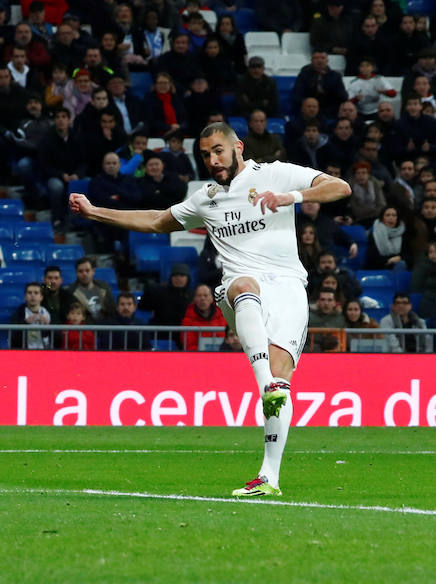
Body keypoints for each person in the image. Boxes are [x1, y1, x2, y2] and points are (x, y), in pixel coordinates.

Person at [70, 121, 352, 496]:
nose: (212, 160)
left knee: (282, 385)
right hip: (242, 291)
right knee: (243, 287)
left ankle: (268, 477)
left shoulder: (276, 174)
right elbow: (155, 220)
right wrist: (94, 212)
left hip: (288, 289)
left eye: (218, 150)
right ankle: (264, 381)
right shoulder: (205, 198)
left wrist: (293, 197)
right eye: (205, 154)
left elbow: (340, 187)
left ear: (238, 147)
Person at [66, 257, 115, 322]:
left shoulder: (104, 287)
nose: (84, 274)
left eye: (87, 270)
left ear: (93, 271)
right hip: (84, 328)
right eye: (80, 271)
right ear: (76, 273)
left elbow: (112, 309)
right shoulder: (70, 292)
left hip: (106, 325)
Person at [181, 283, 227, 350]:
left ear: (211, 298)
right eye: (199, 295)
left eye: (206, 295)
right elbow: (189, 345)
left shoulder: (224, 318)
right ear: (194, 299)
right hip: (197, 357)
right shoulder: (187, 321)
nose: (202, 298)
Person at [10, 281, 52, 349]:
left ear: (41, 297)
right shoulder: (18, 314)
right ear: (25, 296)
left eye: (36, 293)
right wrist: (25, 323)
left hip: (46, 352)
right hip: (24, 353)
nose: (32, 295)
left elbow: (58, 338)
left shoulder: (49, 314)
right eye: (29, 293)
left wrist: (49, 326)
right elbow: (14, 337)